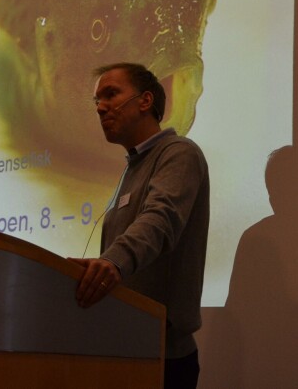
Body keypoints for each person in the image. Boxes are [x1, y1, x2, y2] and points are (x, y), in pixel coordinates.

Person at [71, 62, 210, 388]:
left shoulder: (178, 153)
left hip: (164, 358)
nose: (100, 107)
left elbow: (160, 220)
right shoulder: (133, 166)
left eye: (111, 94)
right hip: (127, 346)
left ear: (145, 101)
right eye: (96, 101)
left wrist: (111, 262)